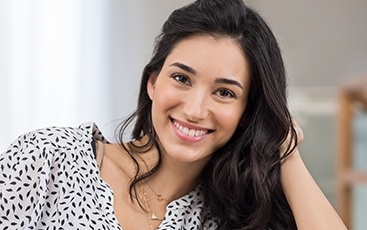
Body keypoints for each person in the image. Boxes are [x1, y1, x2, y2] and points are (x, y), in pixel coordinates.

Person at [0, 0, 347, 229]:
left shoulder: (231, 217)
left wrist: (285, 150)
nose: (195, 110)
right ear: (153, 83)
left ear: (247, 112)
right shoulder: (48, 157)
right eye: (181, 78)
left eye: (224, 93)